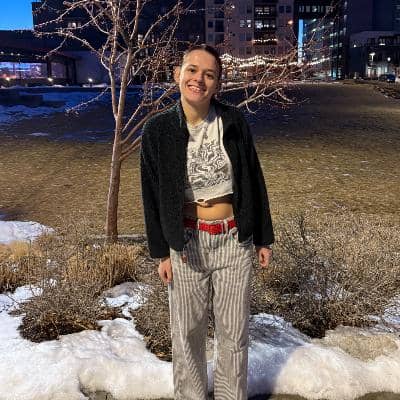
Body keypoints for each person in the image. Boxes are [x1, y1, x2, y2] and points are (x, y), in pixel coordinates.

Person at [140, 44, 274, 400]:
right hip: (186, 244)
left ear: (217, 84)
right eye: (192, 70)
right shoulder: (157, 130)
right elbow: (150, 194)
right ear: (177, 74)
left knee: (234, 334)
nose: (198, 79)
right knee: (186, 335)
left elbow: (253, 177)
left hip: (234, 241)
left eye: (209, 74)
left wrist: (263, 237)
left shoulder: (233, 121)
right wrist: (161, 252)